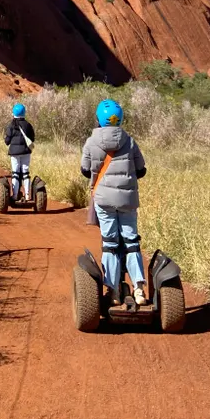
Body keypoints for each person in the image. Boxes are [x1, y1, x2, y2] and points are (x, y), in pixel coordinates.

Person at [81, 99, 148, 306]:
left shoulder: (92, 141)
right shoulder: (129, 140)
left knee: (110, 242)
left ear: (99, 119)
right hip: (127, 200)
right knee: (131, 241)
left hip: (104, 199)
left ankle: (113, 291)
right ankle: (138, 289)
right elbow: (141, 170)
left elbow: (84, 169)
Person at [4, 102, 36, 201]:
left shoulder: (11, 126)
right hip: (26, 152)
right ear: (24, 113)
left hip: (14, 153)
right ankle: (27, 195)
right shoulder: (28, 125)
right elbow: (32, 139)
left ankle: (15, 195)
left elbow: (7, 141)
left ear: (14, 113)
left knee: (15, 173)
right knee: (25, 173)